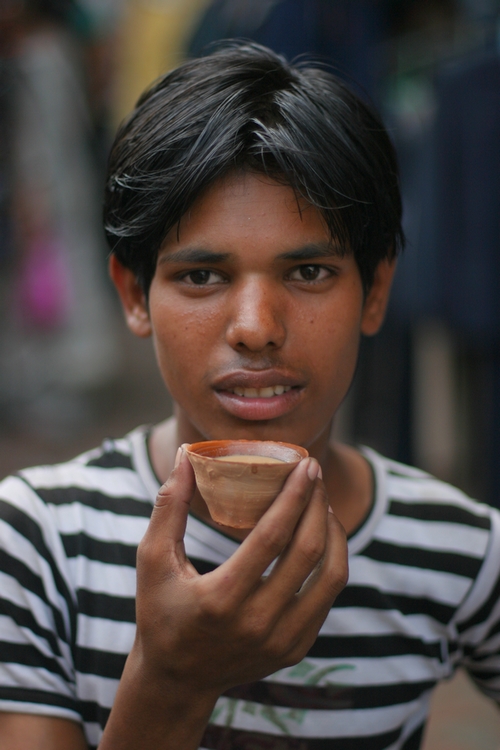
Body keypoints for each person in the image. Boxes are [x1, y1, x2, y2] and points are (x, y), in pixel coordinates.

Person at [0, 42, 499, 750]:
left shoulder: (461, 552)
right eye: (203, 277)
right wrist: (173, 681)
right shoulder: (39, 542)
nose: (257, 329)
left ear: (376, 290)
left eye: (309, 272)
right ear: (134, 294)